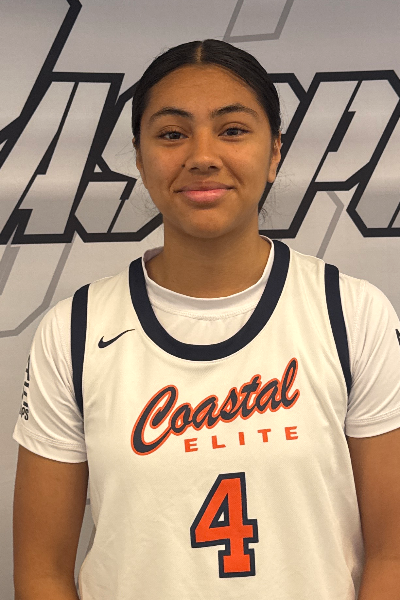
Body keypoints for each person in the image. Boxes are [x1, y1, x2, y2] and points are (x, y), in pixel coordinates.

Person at [12, 39, 400, 600]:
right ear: (140, 157)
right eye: (172, 134)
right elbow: (41, 572)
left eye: (233, 130)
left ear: (275, 151)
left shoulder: (351, 313)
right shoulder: (73, 331)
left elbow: (393, 554)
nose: (202, 155)